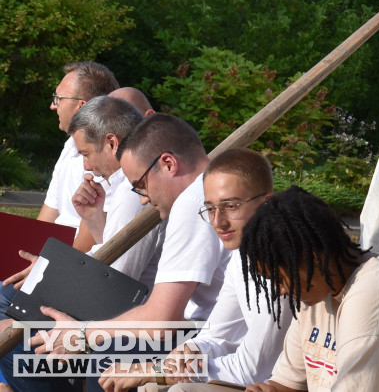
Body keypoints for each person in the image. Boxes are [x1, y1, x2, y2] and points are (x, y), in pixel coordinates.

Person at [6, 115, 230, 392]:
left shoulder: (193, 203)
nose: (143, 199)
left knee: (32, 346)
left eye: (141, 185)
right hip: (197, 336)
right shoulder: (214, 191)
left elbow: (161, 319)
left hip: (205, 344)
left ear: (168, 164)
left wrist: (83, 333)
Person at [96, 148, 290, 392]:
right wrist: (191, 352)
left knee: (177, 388)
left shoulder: (282, 264)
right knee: (147, 384)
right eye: (209, 209)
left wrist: (159, 370)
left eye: (230, 206)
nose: (218, 222)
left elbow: (251, 370)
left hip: (277, 383)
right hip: (237, 365)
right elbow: (217, 335)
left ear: (266, 203)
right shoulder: (242, 255)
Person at [239, 187, 379, 392]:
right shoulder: (315, 296)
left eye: (280, 278)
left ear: (314, 260)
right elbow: (288, 384)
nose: (280, 291)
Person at [68, 96, 164, 286]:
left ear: (112, 143)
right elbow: (114, 258)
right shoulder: (136, 183)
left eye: (86, 154)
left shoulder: (133, 190)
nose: (86, 166)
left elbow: (113, 281)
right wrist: (94, 217)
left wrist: (51, 268)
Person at [39, 61, 120, 231]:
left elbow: (92, 239)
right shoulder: (69, 146)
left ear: (81, 107)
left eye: (58, 99)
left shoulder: (105, 156)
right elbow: (45, 221)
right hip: (55, 251)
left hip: (76, 255)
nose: (53, 106)